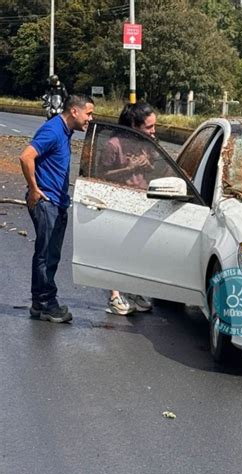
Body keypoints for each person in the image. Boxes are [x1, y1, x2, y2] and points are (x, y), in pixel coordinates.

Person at [19, 94, 95, 323]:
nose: (90, 119)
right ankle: (44, 303)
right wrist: (34, 189)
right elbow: (25, 157)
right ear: (74, 111)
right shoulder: (53, 130)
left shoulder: (65, 132)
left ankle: (41, 303)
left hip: (57, 202)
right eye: (88, 113)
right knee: (46, 254)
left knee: (51, 254)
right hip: (46, 202)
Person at [100, 102, 157, 316]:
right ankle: (115, 295)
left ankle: (133, 291)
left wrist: (147, 164)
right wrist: (129, 168)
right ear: (134, 124)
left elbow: (155, 170)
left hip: (142, 200)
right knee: (116, 249)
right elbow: (101, 176)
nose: (153, 131)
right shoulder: (113, 145)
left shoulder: (147, 144)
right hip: (118, 203)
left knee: (137, 250)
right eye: (149, 127)